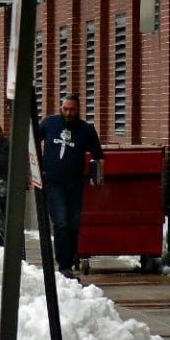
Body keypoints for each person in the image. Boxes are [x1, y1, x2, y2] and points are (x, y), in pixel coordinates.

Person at [38, 93, 104, 278]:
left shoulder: (85, 130)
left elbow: (98, 155)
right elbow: (33, 140)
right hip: (53, 182)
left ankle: (73, 254)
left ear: (78, 109)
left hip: (75, 184)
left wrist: (95, 176)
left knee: (74, 224)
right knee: (61, 223)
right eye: (65, 109)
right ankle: (64, 265)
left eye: (72, 109)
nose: (68, 113)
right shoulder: (49, 123)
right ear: (61, 107)